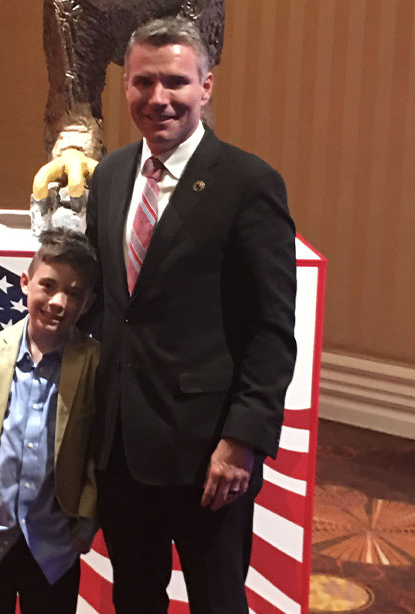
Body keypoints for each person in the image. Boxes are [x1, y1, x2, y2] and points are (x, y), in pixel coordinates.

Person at [83, 16, 297, 614]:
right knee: (135, 597)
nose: (159, 98)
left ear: (206, 86)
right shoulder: (111, 175)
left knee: (217, 600)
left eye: (175, 82)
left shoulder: (249, 183)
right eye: (143, 82)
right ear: (126, 87)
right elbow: (104, 303)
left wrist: (242, 441)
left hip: (207, 454)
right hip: (122, 448)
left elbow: (273, 329)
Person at [0, 229, 100, 614]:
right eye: (48, 286)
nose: (58, 302)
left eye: (74, 293)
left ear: (88, 303)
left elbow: (96, 451)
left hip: (54, 547)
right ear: (25, 282)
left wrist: (85, 525)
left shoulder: (94, 364)